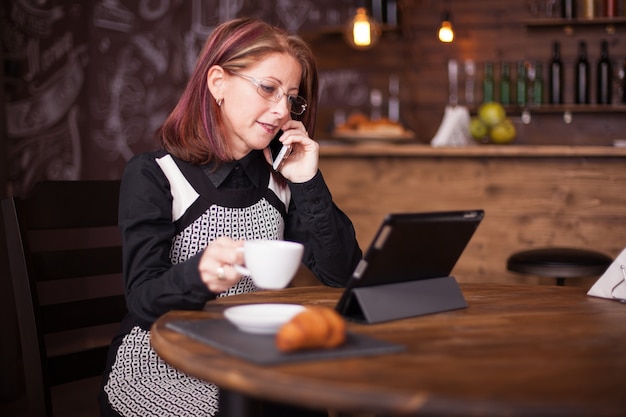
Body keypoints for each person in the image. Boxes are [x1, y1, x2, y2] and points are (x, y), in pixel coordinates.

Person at [99, 17, 362, 417]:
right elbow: (142, 300)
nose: (281, 111)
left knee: (310, 405)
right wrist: (199, 276)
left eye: (291, 98)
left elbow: (342, 273)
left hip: (251, 359)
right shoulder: (156, 175)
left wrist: (309, 182)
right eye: (268, 89)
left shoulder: (281, 178)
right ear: (218, 82)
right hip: (164, 363)